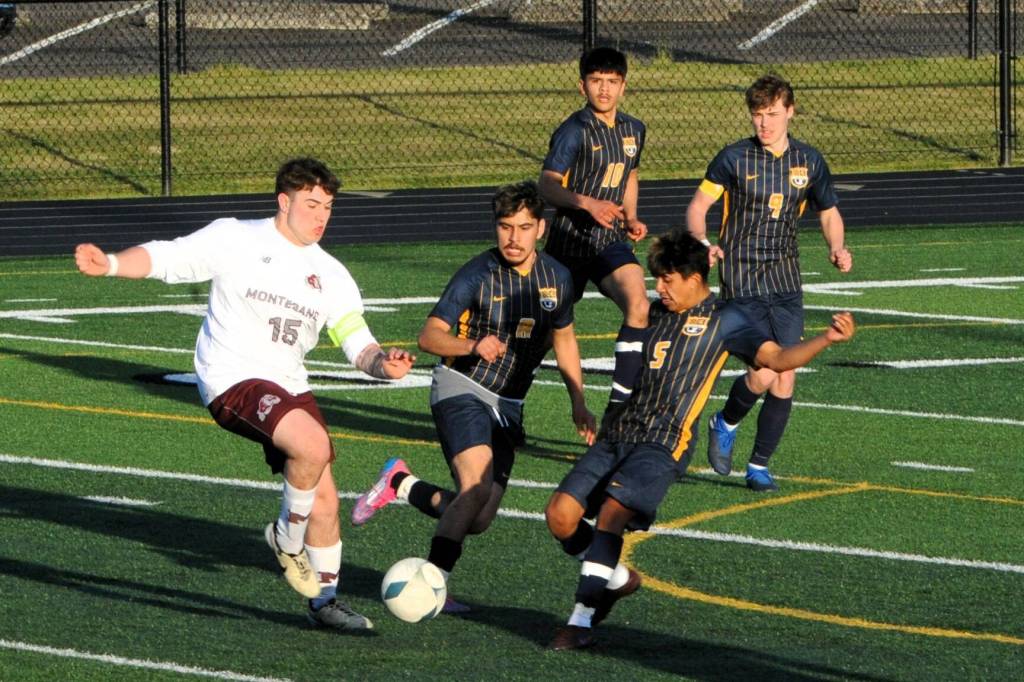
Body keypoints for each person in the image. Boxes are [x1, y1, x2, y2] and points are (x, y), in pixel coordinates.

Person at [73, 158, 415, 631]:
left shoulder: (332, 273)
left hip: (289, 385)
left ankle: (325, 602)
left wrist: (383, 364)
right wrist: (111, 264)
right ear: (283, 202)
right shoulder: (236, 237)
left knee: (324, 500)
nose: (321, 216)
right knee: (312, 446)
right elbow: (168, 258)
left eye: (328, 207)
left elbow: (357, 341)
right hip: (232, 378)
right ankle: (286, 540)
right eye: (311, 204)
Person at [544, 230, 855, 650]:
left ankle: (581, 619)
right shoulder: (655, 313)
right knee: (560, 516)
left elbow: (778, 359)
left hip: (664, 441)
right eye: (658, 279)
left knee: (612, 515)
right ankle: (615, 580)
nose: (660, 288)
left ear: (694, 278)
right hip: (619, 432)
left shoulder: (727, 318)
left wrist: (826, 339)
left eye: (668, 279)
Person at [350, 181, 596, 612]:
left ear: (540, 229)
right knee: (476, 486)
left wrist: (578, 400)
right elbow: (429, 336)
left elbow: (565, 339)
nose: (513, 238)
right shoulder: (477, 273)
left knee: (478, 517)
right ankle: (432, 585)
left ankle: (401, 484)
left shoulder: (557, 278)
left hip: (509, 405)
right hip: (460, 386)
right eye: (505, 227)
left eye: (523, 228)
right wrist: (472, 345)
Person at [685, 73, 853, 492]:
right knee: (763, 372)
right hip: (742, 278)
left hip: (785, 280)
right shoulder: (733, 158)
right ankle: (725, 422)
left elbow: (828, 211)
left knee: (787, 372)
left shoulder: (809, 161)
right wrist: (702, 242)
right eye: (758, 114)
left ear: (790, 112)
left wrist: (837, 247)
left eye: (773, 114)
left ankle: (758, 465)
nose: (764, 123)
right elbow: (698, 206)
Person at [538, 46, 650, 411]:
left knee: (638, 303)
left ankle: (619, 405)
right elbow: (547, 185)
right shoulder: (574, 130)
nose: (604, 89)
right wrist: (588, 203)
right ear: (582, 85)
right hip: (568, 243)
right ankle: (509, 397)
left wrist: (630, 217)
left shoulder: (634, 129)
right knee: (542, 334)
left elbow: (629, 174)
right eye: (596, 80)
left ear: (624, 86)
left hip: (608, 241)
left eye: (612, 81)